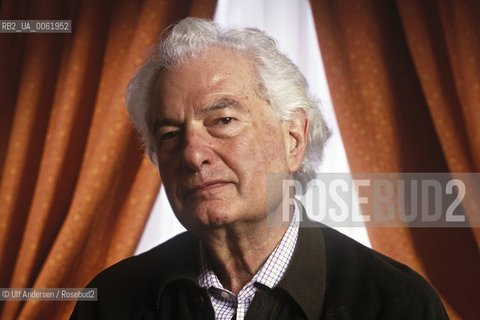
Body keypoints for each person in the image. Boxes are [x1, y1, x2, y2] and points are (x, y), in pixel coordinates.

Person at [70, 17, 448, 319]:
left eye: (223, 120)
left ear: (294, 139)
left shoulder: (396, 304)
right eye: (169, 134)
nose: (192, 154)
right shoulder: (109, 302)